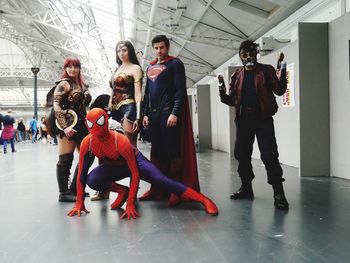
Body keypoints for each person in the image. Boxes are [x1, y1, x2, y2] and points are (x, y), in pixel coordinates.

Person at [67, 108, 218, 219]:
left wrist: (131, 204)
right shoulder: (88, 142)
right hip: (114, 167)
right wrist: (79, 202)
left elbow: (134, 172)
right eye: (91, 124)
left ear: (105, 120)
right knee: (92, 179)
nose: (96, 127)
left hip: (135, 162)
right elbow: (82, 173)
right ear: (87, 125)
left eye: (99, 122)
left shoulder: (120, 140)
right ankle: (122, 191)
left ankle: (204, 200)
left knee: (162, 180)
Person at [218, 40, 289, 210]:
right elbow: (233, 100)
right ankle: (246, 189)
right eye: (244, 54)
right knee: (241, 155)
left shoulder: (266, 70)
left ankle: (279, 194)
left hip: (263, 119)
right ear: (240, 56)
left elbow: (279, 91)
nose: (248, 56)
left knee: (270, 156)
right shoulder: (236, 76)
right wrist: (221, 91)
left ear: (256, 54)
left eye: (251, 53)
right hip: (244, 120)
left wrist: (283, 69)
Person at [141, 35, 200, 205]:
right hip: (153, 116)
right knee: (157, 154)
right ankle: (158, 189)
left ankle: (176, 190)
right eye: (156, 48)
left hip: (168, 115)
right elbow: (147, 94)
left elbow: (180, 91)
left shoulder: (175, 64)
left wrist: (175, 112)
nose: (159, 51)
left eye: (162, 48)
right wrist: (145, 114)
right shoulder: (150, 67)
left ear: (167, 48)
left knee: (173, 153)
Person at [90, 40, 143, 202]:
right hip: (113, 109)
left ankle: (133, 190)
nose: (121, 53)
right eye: (119, 50)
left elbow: (138, 93)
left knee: (129, 149)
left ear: (130, 51)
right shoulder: (117, 70)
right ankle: (104, 189)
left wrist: (139, 115)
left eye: (124, 50)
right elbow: (112, 92)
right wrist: (106, 110)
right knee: (104, 147)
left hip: (129, 108)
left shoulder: (135, 68)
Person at [53, 57, 92, 202]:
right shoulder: (64, 84)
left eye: (75, 66)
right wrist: (65, 126)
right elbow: (56, 106)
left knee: (88, 155)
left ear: (79, 68)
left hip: (82, 123)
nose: (72, 69)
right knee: (65, 158)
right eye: (69, 66)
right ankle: (64, 193)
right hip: (67, 122)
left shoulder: (82, 84)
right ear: (65, 69)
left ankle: (75, 188)